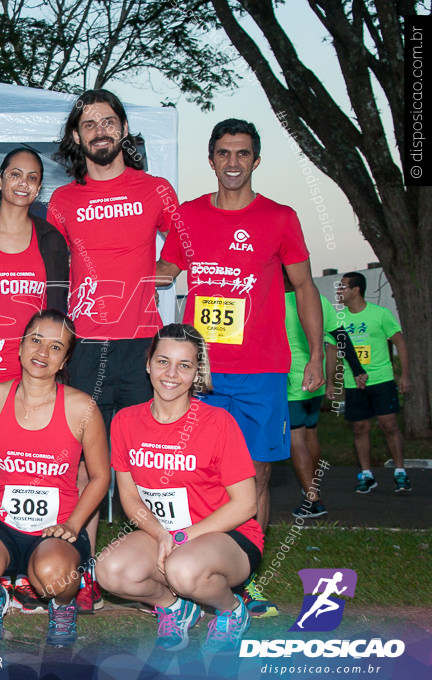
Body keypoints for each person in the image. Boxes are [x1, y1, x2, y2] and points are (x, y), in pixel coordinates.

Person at [157, 118, 324, 617]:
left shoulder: (280, 218)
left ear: (255, 160)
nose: (233, 162)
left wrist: (317, 354)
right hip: (198, 372)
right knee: (193, 475)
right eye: (224, 153)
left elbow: (307, 288)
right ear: (211, 160)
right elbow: (164, 273)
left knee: (252, 479)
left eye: (243, 153)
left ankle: (246, 581)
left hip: (261, 373)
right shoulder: (186, 217)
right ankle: (188, 577)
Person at [48, 89, 178, 612]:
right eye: (88, 124)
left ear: (123, 130)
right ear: (77, 139)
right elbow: (49, 272)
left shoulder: (156, 189)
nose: (99, 130)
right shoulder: (62, 201)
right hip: (86, 347)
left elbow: (190, 243)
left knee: (147, 463)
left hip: (142, 346)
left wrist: (166, 269)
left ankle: (163, 572)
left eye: (108, 121)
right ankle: (85, 577)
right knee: (85, 465)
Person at [96, 323, 264, 654]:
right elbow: (129, 495)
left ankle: (231, 611)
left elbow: (245, 505)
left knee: (182, 569)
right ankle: (174, 607)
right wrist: (160, 533)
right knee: (109, 571)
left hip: (228, 535)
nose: (171, 373)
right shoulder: (125, 421)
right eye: (163, 361)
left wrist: (184, 537)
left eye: (184, 365)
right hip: (165, 532)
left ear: (196, 372)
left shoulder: (218, 423)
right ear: (148, 364)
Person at [0, 310, 108, 647]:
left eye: (56, 347)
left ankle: (63, 606)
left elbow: (99, 477)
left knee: (55, 577)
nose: (42, 352)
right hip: (0, 522)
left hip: (57, 528)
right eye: (36, 340)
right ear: (21, 346)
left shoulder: (82, 408)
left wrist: (74, 524)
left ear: (65, 358)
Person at [0, 148, 69, 471]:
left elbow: (58, 311)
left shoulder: (51, 240)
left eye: (32, 178)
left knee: (30, 461)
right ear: (0, 180)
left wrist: (59, 365)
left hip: (36, 369)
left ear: (39, 188)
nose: (23, 183)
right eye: (15, 175)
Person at [284, 269, 366, 518]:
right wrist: (357, 368)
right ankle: (312, 488)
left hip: (292, 381)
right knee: (311, 435)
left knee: (295, 440)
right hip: (315, 379)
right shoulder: (314, 297)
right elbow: (341, 335)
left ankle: (312, 499)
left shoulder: (272, 299)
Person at [334, 272, 412, 493]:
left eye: (343, 287)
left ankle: (400, 472)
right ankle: (367, 474)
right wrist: (331, 382)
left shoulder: (380, 314)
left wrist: (404, 375)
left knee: (389, 425)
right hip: (352, 383)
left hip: (382, 380)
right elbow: (331, 349)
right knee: (360, 428)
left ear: (356, 289)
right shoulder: (339, 319)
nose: (339, 292)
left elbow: (400, 342)